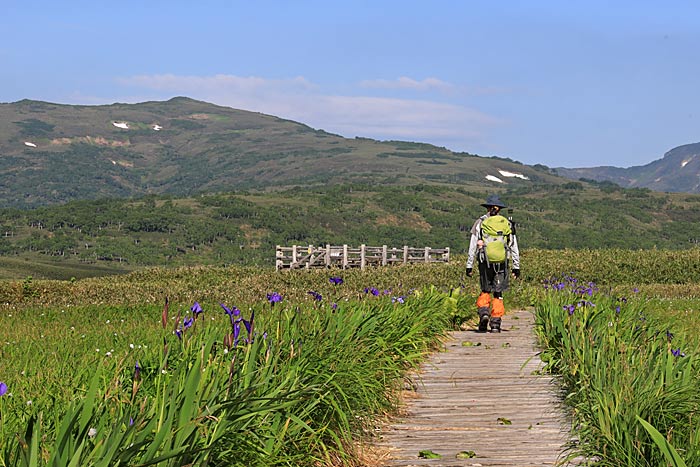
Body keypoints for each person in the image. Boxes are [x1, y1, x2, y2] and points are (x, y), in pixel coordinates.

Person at [466, 194, 520, 333]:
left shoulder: (480, 223)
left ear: (488, 208)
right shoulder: (506, 223)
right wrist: (516, 266)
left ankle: (484, 312)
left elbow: (473, 245)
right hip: (502, 262)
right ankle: (495, 323)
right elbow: (513, 245)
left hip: (485, 261)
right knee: (498, 292)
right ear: (499, 209)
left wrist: (469, 265)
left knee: (485, 289)